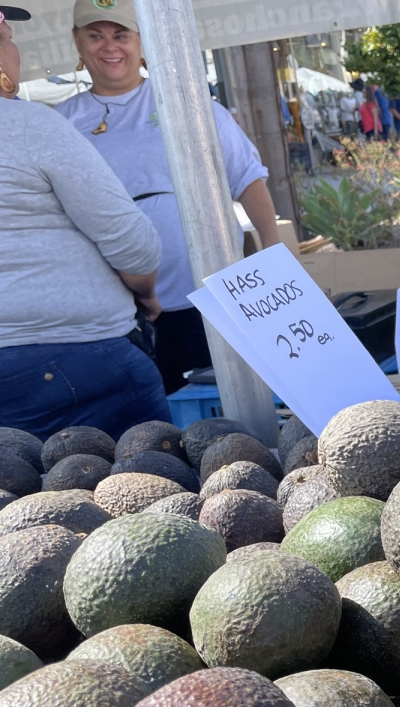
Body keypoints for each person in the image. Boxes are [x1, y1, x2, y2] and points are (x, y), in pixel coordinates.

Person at [58, 0, 280, 396]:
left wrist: (274, 254)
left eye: (121, 35)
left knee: (233, 412)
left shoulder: (188, 103)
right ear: (78, 43)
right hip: (124, 315)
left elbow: (247, 179)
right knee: (156, 431)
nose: (110, 47)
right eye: (95, 35)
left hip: (214, 301)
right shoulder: (61, 122)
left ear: (142, 42)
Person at [0, 6, 170, 439]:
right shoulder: (29, 124)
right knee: (146, 489)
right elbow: (129, 240)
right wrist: (146, 293)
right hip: (73, 357)